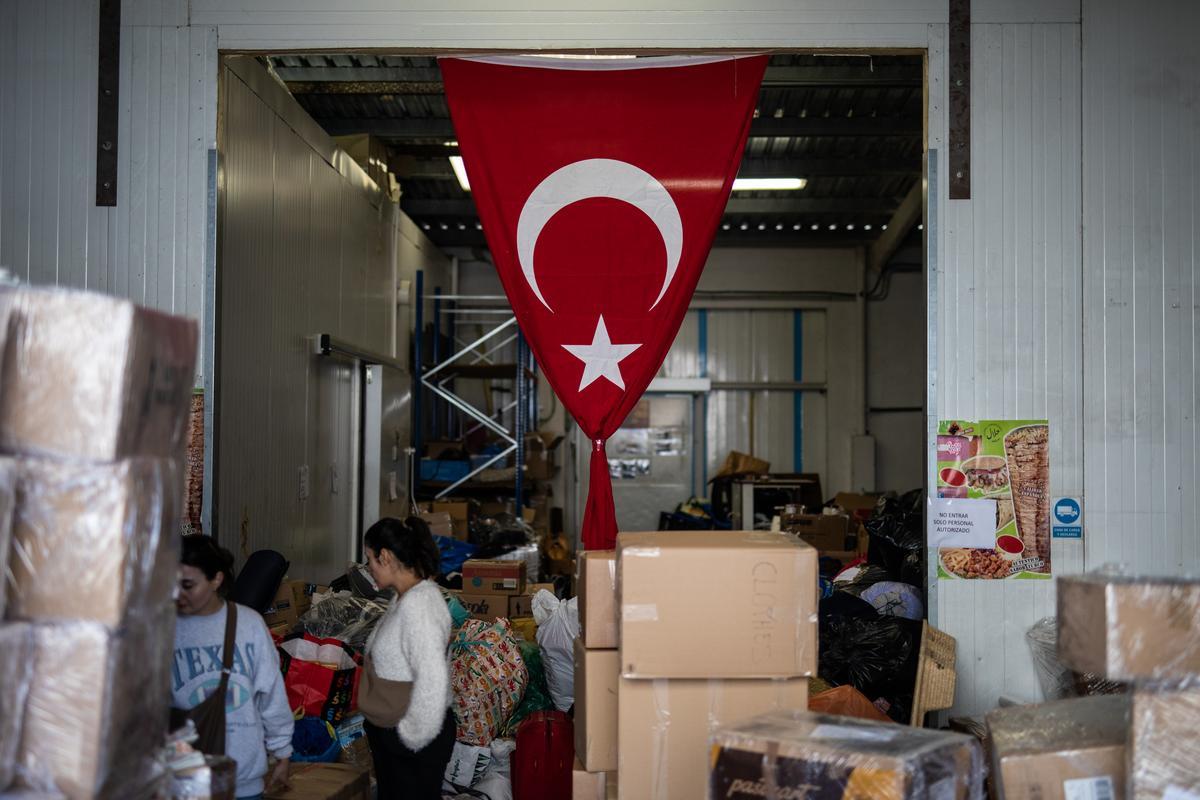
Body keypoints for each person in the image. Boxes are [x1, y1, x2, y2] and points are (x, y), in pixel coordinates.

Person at [173, 536, 294, 800]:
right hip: (182, 780)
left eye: (188, 585)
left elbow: (271, 693)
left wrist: (282, 750)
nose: (177, 594)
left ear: (216, 580)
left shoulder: (248, 625)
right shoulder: (163, 629)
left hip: (243, 780)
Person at [361, 516, 455, 798]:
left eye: (370, 559)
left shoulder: (419, 606)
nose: (369, 568)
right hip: (398, 735)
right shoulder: (405, 597)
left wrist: (411, 738)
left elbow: (433, 678)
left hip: (413, 740)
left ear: (386, 556)